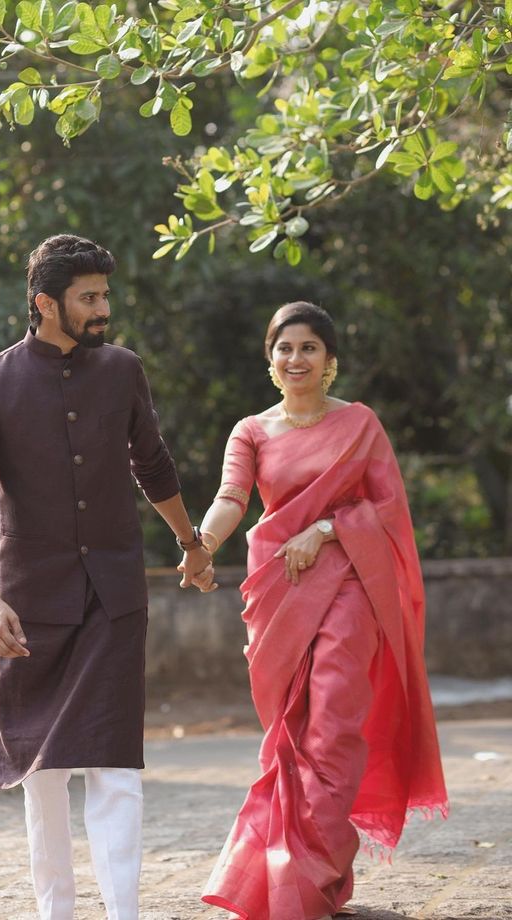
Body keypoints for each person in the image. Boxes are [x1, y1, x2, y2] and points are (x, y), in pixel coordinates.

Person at [0, 234, 214, 920]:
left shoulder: (123, 371)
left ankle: (123, 913)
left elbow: (151, 464)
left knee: (117, 767)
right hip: (30, 605)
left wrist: (190, 542)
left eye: (105, 295)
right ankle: (56, 913)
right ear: (45, 303)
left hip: (115, 595)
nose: (103, 309)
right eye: (88, 298)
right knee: (42, 776)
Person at [189, 302, 448, 920]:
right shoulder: (251, 430)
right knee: (292, 736)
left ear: (330, 361)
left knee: (333, 723)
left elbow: (388, 509)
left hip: (352, 583)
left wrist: (328, 528)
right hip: (278, 594)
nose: (296, 359)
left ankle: (313, 876)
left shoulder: (360, 424)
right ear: (269, 360)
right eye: (285, 349)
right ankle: (300, 875)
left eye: (309, 348)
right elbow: (232, 498)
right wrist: (201, 544)